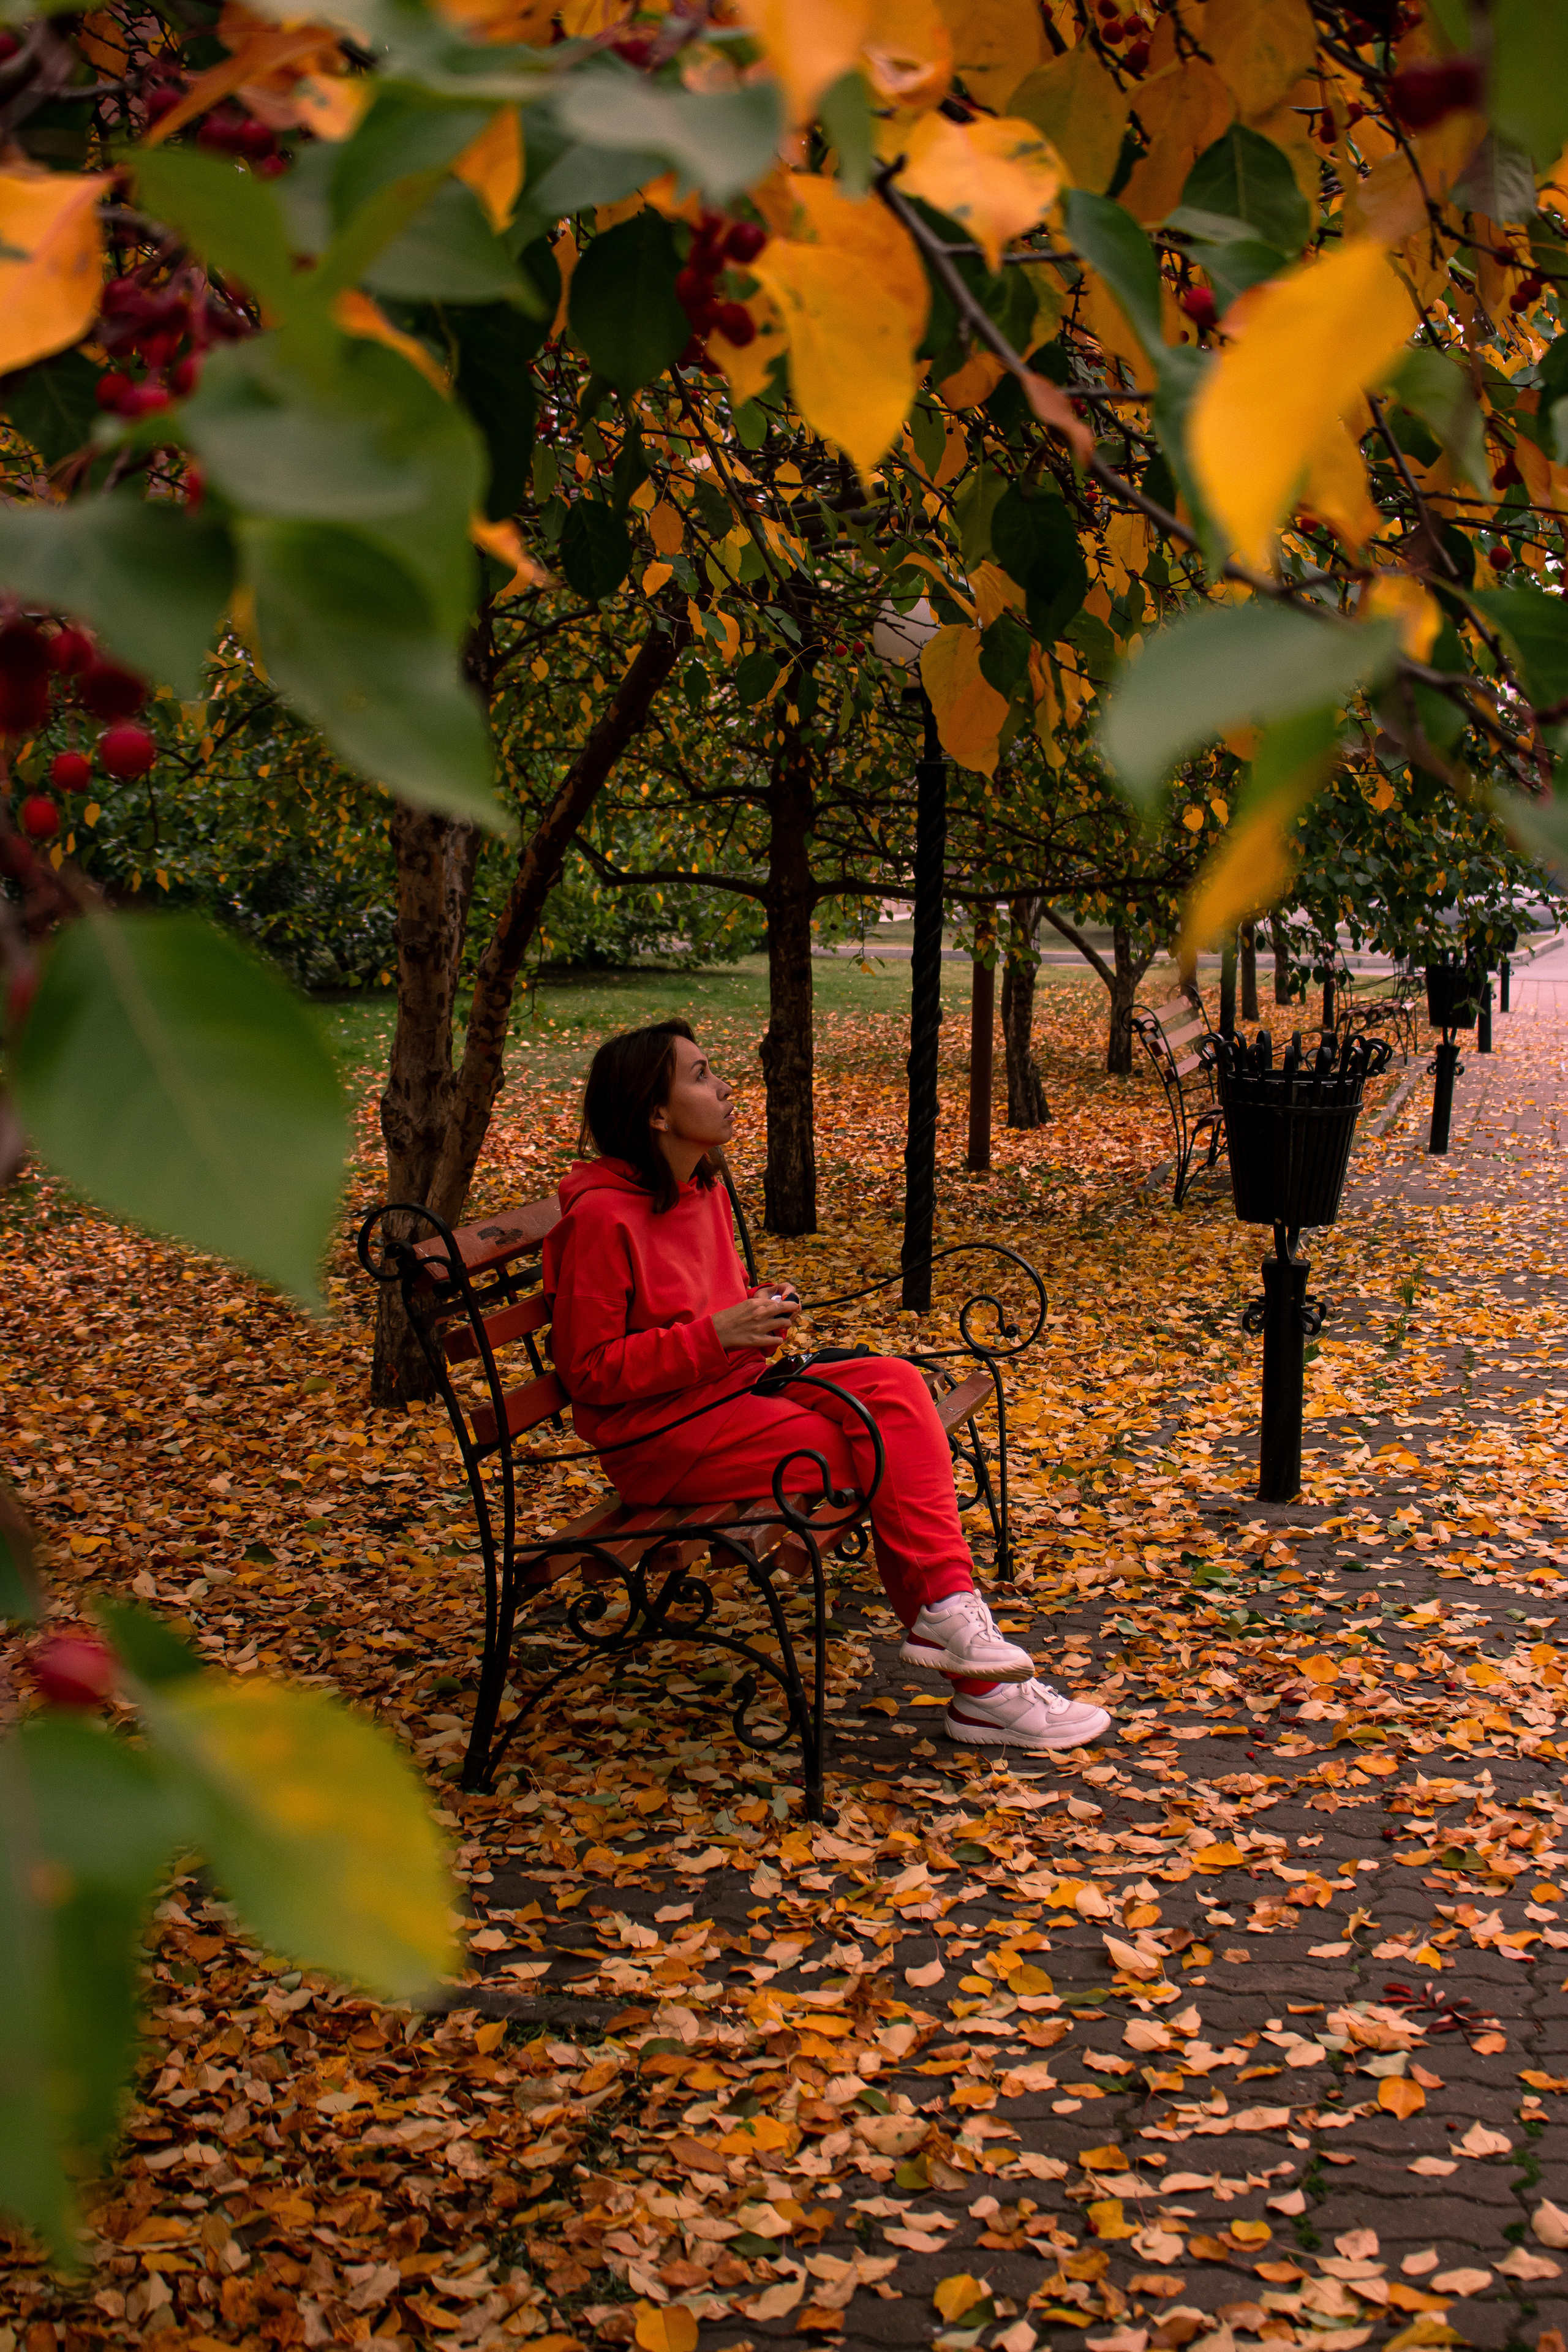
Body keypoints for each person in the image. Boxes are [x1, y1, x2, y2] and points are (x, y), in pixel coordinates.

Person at [541, 1017, 1111, 1753]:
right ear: (656, 1111)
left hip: (734, 1396)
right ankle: (984, 1687)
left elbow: (701, 1306)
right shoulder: (598, 1219)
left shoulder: (701, 1187)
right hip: (662, 1441)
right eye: (701, 1074)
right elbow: (589, 1372)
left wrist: (753, 1310)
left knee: (895, 1385)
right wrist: (715, 1335)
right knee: (887, 1449)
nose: (723, 1088)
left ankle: (952, 1617)